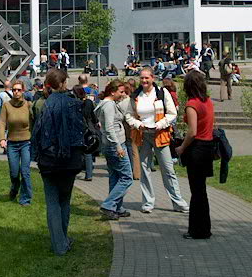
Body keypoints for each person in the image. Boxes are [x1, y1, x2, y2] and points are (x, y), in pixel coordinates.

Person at [30, 68, 85, 256]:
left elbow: (36, 132)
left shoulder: (41, 104)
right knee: (64, 200)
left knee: (53, 202)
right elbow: (80, 132)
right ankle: (62, 241)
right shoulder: (74, 104)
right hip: (69, 160)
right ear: (62, 83)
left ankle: (59, 243)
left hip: (48, 160)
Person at [127, 66, 189, 214]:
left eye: (146, 78)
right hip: (143, 134)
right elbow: (129, 115)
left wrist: (160, 124)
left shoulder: (162, 92)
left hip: (160, 134)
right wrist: (138, 124)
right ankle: (148, 202)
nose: (144, 81)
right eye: (141, 78)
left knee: (168, 169)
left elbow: (172, 112)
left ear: (152, 78)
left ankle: (178, 202)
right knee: (144, 169)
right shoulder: (136, 95)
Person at [175, 71, 215, 240]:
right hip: (208, 146)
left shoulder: (192, 104)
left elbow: (192, 132)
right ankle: (205, 228)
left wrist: (181, 148)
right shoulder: (208, 102)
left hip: (197, 148)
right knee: (202, 191)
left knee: (196, 192)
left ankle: (196, 230)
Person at [96, 79, 133, 220]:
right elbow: (110, 127)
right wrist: (118, 146)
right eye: (121, 92)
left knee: (115, 176)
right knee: (127, 177)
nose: (123, 95)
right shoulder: (109, 105)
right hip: (115, 145)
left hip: (110, 145)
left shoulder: (106, 104)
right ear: (112, 92)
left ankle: (116, 207)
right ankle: (108, 204)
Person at [0, 80, 34, 206]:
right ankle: (14, 189)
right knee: (14, 173)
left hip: (26, 142)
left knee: (25, 172)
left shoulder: (28, 105)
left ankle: (25, 198)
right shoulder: (6, 105)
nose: (16, 92)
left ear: (23, 91)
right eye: (14, 90)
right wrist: (2, 138)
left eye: (19, 90)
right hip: (12, 143)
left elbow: (34, 121)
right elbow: (2, 122)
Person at [74, 85, 99, 182]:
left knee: (78, 150)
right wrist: (96, 122)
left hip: (78, 128)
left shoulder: (75, 104)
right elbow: (93, 115)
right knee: (88, 151)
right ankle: (89, 174)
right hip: (88, 128)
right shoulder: (88, 102)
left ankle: (78, 169)